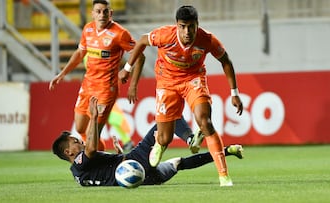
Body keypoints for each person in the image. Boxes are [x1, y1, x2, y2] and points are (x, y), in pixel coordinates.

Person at [118, 5, 243, 186]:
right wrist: (127, 68)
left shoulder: (207, 39)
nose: (187, 31)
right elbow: (142, 41)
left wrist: (234, 93)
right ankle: (159, 144)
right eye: (182, 26)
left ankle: (224, 176)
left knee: (205, 122)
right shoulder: (164, 35)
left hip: (193, 80)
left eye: (191, 26)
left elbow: (226, 61)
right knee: (165, 138)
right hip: (166, 82)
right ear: (177, 25)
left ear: (197, 25)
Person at [52, 96, 244, 187]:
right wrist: (94, 118)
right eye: (76, 141)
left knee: (178, 163)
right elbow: (92, 149)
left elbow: (105, 173)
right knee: (168, 116)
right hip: (134, 163)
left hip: (145, 179)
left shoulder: (79, 177)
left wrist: (116, 155)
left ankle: (227, 151)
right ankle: (190, 138)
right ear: (69, 152)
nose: (81, 142)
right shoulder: (79, 163)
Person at [49, 0, 145, 151]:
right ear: (92, 14)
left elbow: (140, 56)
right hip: (87, 86)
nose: (102, 15)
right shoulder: (88, 29)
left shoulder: (120, 33)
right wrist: (62, 73)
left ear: (110, 13)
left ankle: (99, 167)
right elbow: (80, 53)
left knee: (92, 133)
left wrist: (132, 83)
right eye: (98, 11)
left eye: (105, 11)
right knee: (81, 129)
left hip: (106, 90)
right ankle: (100, 155)